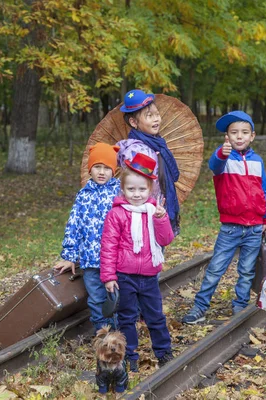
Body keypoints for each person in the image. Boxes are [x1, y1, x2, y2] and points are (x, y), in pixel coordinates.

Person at [182, 110, 266, 324]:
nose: (239, 136)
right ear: (227, 137)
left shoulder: (257, 161)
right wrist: (222, 153)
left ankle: (240, 306)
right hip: (231, 228)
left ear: (252, 136)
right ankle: (200, 306)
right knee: (215, 269)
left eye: (244, 132)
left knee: (247, 271)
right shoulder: (224, 160)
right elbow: (214, 165)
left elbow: (264, 191)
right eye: (234, 133)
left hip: (253, 228)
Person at [100, 153, 175, 372]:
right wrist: (109, 277)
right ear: (122, 189)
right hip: (125, 275)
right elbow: (108, 246)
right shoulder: (116, 214)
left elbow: (166, 239)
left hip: (150, 275)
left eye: (141, 189)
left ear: (150, 189)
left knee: (156, 316)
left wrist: (161, 220)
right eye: (131, 189)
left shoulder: (154, 212)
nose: (136, 194)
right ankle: (129, 354)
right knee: (127, 318)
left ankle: (163, 352)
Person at [53, 142, 121, 333]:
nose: (101, 172)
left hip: (115, 260)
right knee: (96, 299)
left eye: (107, 168)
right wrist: (70, 255)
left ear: (113, 171)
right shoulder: (83, 195)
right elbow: (73, 226)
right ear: (90, 169)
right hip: (90, 260)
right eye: (97, 167)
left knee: (116, 298)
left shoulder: (119, 194)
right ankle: (103, 335)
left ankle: (120, 334)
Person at [120, 89, 181, 236]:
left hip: (158, 209)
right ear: (134, 122)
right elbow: (140, 185)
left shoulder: (158, 145)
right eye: (149, 116)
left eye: (157, 114)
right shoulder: (137, 151)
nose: (156, 119)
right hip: (144, 213)